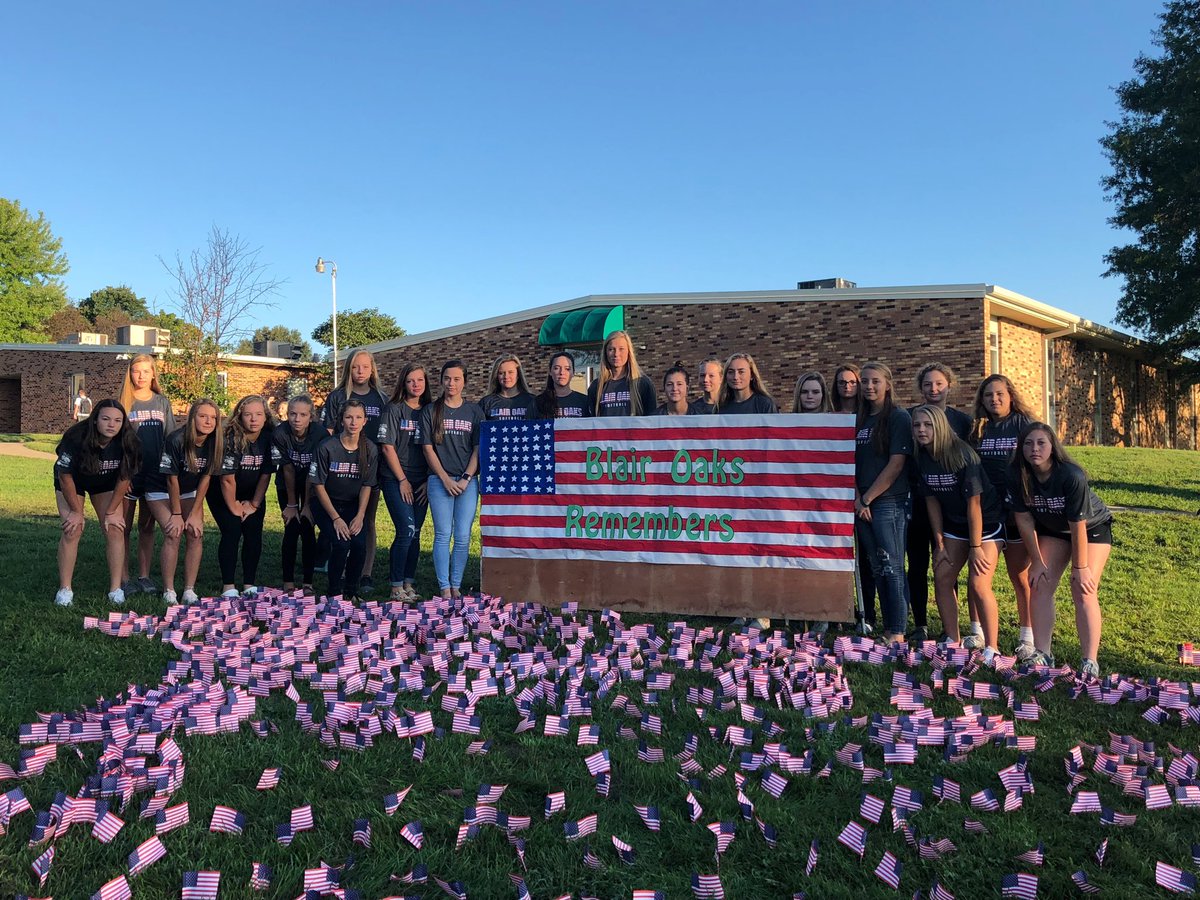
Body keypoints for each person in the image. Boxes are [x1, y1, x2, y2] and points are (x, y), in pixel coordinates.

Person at [1008, 423, 1112, 678]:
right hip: (1053, 529)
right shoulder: (1017, 474)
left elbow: (1078, 524)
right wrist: (1037, 561)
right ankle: (1043, 653)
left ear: (1053, 446)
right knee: (1040, 583)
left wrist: (1080, 567)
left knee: (1083, 588)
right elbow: (1024, 520)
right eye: (1028, 443)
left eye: (1041, 443)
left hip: (1091, 528)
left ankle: (1090, 660)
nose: (1034, 449)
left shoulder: (1071, 475)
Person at [911, 405, 1003, 663]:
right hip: (954, 525)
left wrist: (975, 548)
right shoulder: (921, 456)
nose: (921, 430)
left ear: (940, 426)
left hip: (985, 524)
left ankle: (992, 647)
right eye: (917, 425)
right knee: (942, 575)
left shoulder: (963, 455)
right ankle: (953, 639)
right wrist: (939, 541)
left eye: (927, 425)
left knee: (978, 582)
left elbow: (975, 505)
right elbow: (931, 502)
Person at [906, 363, 974, 644]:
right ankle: (920, 623)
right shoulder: (909, 417)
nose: (933, 389)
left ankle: (954, 629)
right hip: (919, 501)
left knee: (948, 566)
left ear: (950, 385)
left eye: (939, 384)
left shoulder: (963, 422)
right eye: (927, 385)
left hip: (951, 506)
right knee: (918, 564)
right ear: (920, 389)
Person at [971, 374, 1037, 660]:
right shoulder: (978, 430)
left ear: (1011, 395)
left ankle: (1028, 638)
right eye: (988, 395)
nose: (994, 399)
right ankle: (977, 632)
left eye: (999, 394)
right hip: (988, 512)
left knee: (1020, 576)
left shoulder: (1024, 425)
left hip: (1018, 512)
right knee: (978, 575)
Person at [53, 400, 140, 606]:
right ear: (95, 420)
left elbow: (125, 478)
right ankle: (65, 590)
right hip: (74, 482)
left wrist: (111, 512)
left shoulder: (129, 441)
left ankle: (115, 589)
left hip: (106, 482)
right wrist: (76, 510)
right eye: (106, 419)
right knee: (72, 528)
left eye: (118, 420)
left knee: (115, 528)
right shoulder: (75, 437)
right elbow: (65, 476)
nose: (112, 424)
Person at [854, 362, 913, 645]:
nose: (869, 386)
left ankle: (898, 630)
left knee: (892, 566)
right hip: (861, 504)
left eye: (875, 381)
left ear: (887, 384)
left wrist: (868, 498)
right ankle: (887, 628)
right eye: (864, 381)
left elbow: (896, 464)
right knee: (877, 567)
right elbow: (848, 461)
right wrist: (858, 498)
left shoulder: (898, 418)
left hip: (887, 502)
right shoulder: (860, 418)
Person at [320, 350, 388, 594]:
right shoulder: (338, 396)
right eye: (355, 367)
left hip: (369, 468)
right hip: (339, 468)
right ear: (348, 369)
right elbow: (327, 432)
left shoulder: (381, 398)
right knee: (336, 517)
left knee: (366, 519)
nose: (360, 372)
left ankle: (364, 573)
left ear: (372, 370)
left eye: (365, 367)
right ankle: (336, 564)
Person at [146, 398, 221, 604]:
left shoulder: (215, 442)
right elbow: (171, 479)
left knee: (196, 533)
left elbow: (205, 479)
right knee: (173, 532)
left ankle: (189, 589)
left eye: (213, 417)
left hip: (189, 490)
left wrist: (196, 513)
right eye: (203, 416)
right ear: (192, 417)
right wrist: (177, 514)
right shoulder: (176, 439)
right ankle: (168, 590)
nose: (208, 421)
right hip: (160, 489)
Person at [420, 360, 484, 599]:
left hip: (467, 482)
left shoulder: (474, 411)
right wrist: (445, 479)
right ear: (441, 380)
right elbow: (427, 449)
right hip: (439, 480)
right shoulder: (431, 411)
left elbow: (478, 449)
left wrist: (467, 478)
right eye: (447, 378)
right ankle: (444, 586)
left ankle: (456, 583)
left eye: (457, 379)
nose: (451, 383)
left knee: (464, 535)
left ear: (464, 381)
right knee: (442, 533)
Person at [118, 353, 176, 596]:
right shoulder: (123, 403)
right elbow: (116, 443)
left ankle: (144, 575)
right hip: (130, 475)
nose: (141, 376)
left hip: (156, 475)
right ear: (130, 373)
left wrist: (168, 473)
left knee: (147, 527)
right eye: (136, 371)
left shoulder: (162, 402)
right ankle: (123, 577)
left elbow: (171, 439)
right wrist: (124, 475)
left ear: (153, 374)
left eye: (146, 371)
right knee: (123, 528)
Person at [311, 398, 379, 603]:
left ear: (365, 421)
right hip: (327, 504)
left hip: (353, 506)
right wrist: (335, 519)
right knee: (341, 544)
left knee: (358, 543)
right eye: (349, 417)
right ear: (341, 419)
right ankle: (334, 591)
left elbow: (368, 485)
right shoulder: (327, 447)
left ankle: (352, 589)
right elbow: (318, 485)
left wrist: (360, 515)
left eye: (358, 417)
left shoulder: (370, 449)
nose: (353, 422)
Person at [208, 394, 276, 598]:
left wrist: (254, 504)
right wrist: (235, 507)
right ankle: (228, 585)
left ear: (266, 417)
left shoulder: (269, 437)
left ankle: (249, 584)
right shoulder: (230, 437)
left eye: (258, 414)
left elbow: (266, 474)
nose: (253, 419)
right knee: (232, 530)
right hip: (222, 491)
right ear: (239, 416)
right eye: (248, 415)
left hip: (252, 493)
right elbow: (226, 480)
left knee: (254, 533)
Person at [378, 363, 432, 601]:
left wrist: (429, 479)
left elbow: (437, 447)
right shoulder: (393, 409)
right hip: (395, 479)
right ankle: (395, 586)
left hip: (422, 480)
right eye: (411, 380)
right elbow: (387, 447)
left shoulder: (430, 410)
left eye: (420, 380)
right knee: (405, 530)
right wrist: (402, 479)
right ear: (403, 383)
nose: (416, 385)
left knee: (417, 532)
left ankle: (409, 583)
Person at [832, 363, 875, 630]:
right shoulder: (832, 415)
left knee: (868, 559)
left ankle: (867, 611)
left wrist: (862, 497)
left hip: (866, 493)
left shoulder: (868, 416)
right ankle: (840, 609)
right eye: (842, 383)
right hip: (838, 493)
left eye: (852, 382)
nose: (847, 387)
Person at [272, 394, 323, 595]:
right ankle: (288, 581)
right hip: (287, 484)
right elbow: (287, 469)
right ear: (287, 414)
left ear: (311, 416)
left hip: (312, 483)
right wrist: (292, 504)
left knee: (308, 528)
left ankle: (308, 582)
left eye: (303, 414)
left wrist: (308, 506)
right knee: (292, 528)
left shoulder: (319, 435)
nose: (297, 419)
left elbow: (315, 471)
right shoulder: (279, 433)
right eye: (292, 414)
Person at [587, 330, 656, 416]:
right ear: (605, 353)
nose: (616, 354)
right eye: (611, 349)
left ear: (628, 352)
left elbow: (652, 421)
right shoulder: (596, 386)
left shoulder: (642, 384)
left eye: (621, 349)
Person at [481, 354, 538, 420]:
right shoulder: (486, 403)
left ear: (518, 375)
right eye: (501, 373)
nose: (506, 376)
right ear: (496, 376)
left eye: (510, 372)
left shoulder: (532, 401)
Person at [535, 351, 588, 418]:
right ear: (550, 371)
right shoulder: (537, 403)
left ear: (573, 372)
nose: (562, 372)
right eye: (556, 368)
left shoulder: (585, 402)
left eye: (567, 369)